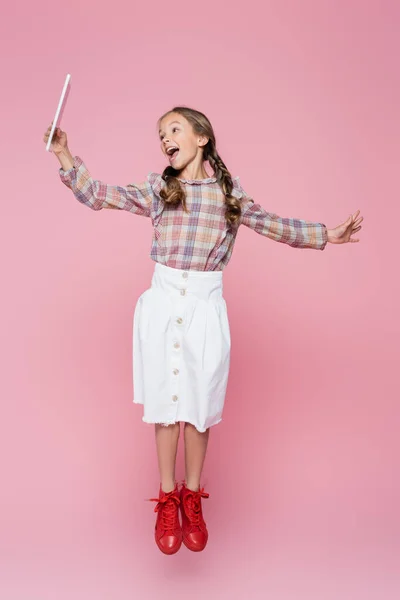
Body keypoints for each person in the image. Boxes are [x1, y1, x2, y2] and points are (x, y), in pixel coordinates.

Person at [43, 106, 363, 555]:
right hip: (162, 302)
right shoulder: (158, 189)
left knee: (198, 405)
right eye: (160, 134)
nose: (164, 139)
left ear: (202, 138)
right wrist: (65, 155)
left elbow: (271, 223)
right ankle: (168, 498)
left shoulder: (228, 194)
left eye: (174, 129)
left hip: (205, 308)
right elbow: (99, 194)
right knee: (165, 406)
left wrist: (326, 234)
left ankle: (193, 497)